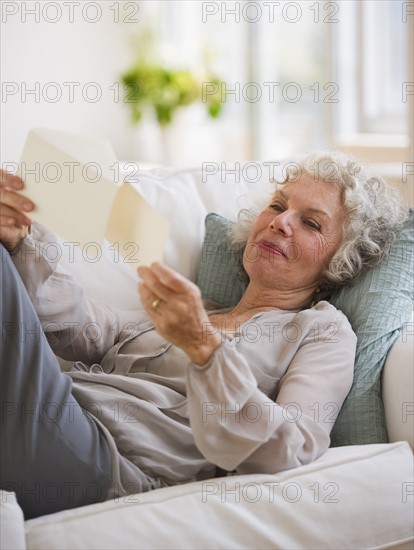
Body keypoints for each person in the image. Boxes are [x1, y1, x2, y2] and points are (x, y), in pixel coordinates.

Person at [0, 152, 407, 519]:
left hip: (103, 459)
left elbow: (294, 446)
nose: (280, 222)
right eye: (278, 206)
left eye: (311, 223)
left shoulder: (321, 331)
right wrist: (23, 242)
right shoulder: (201, 308)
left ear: (342, 257)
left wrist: (204, 348)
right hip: (60, 408)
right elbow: (81, 329)